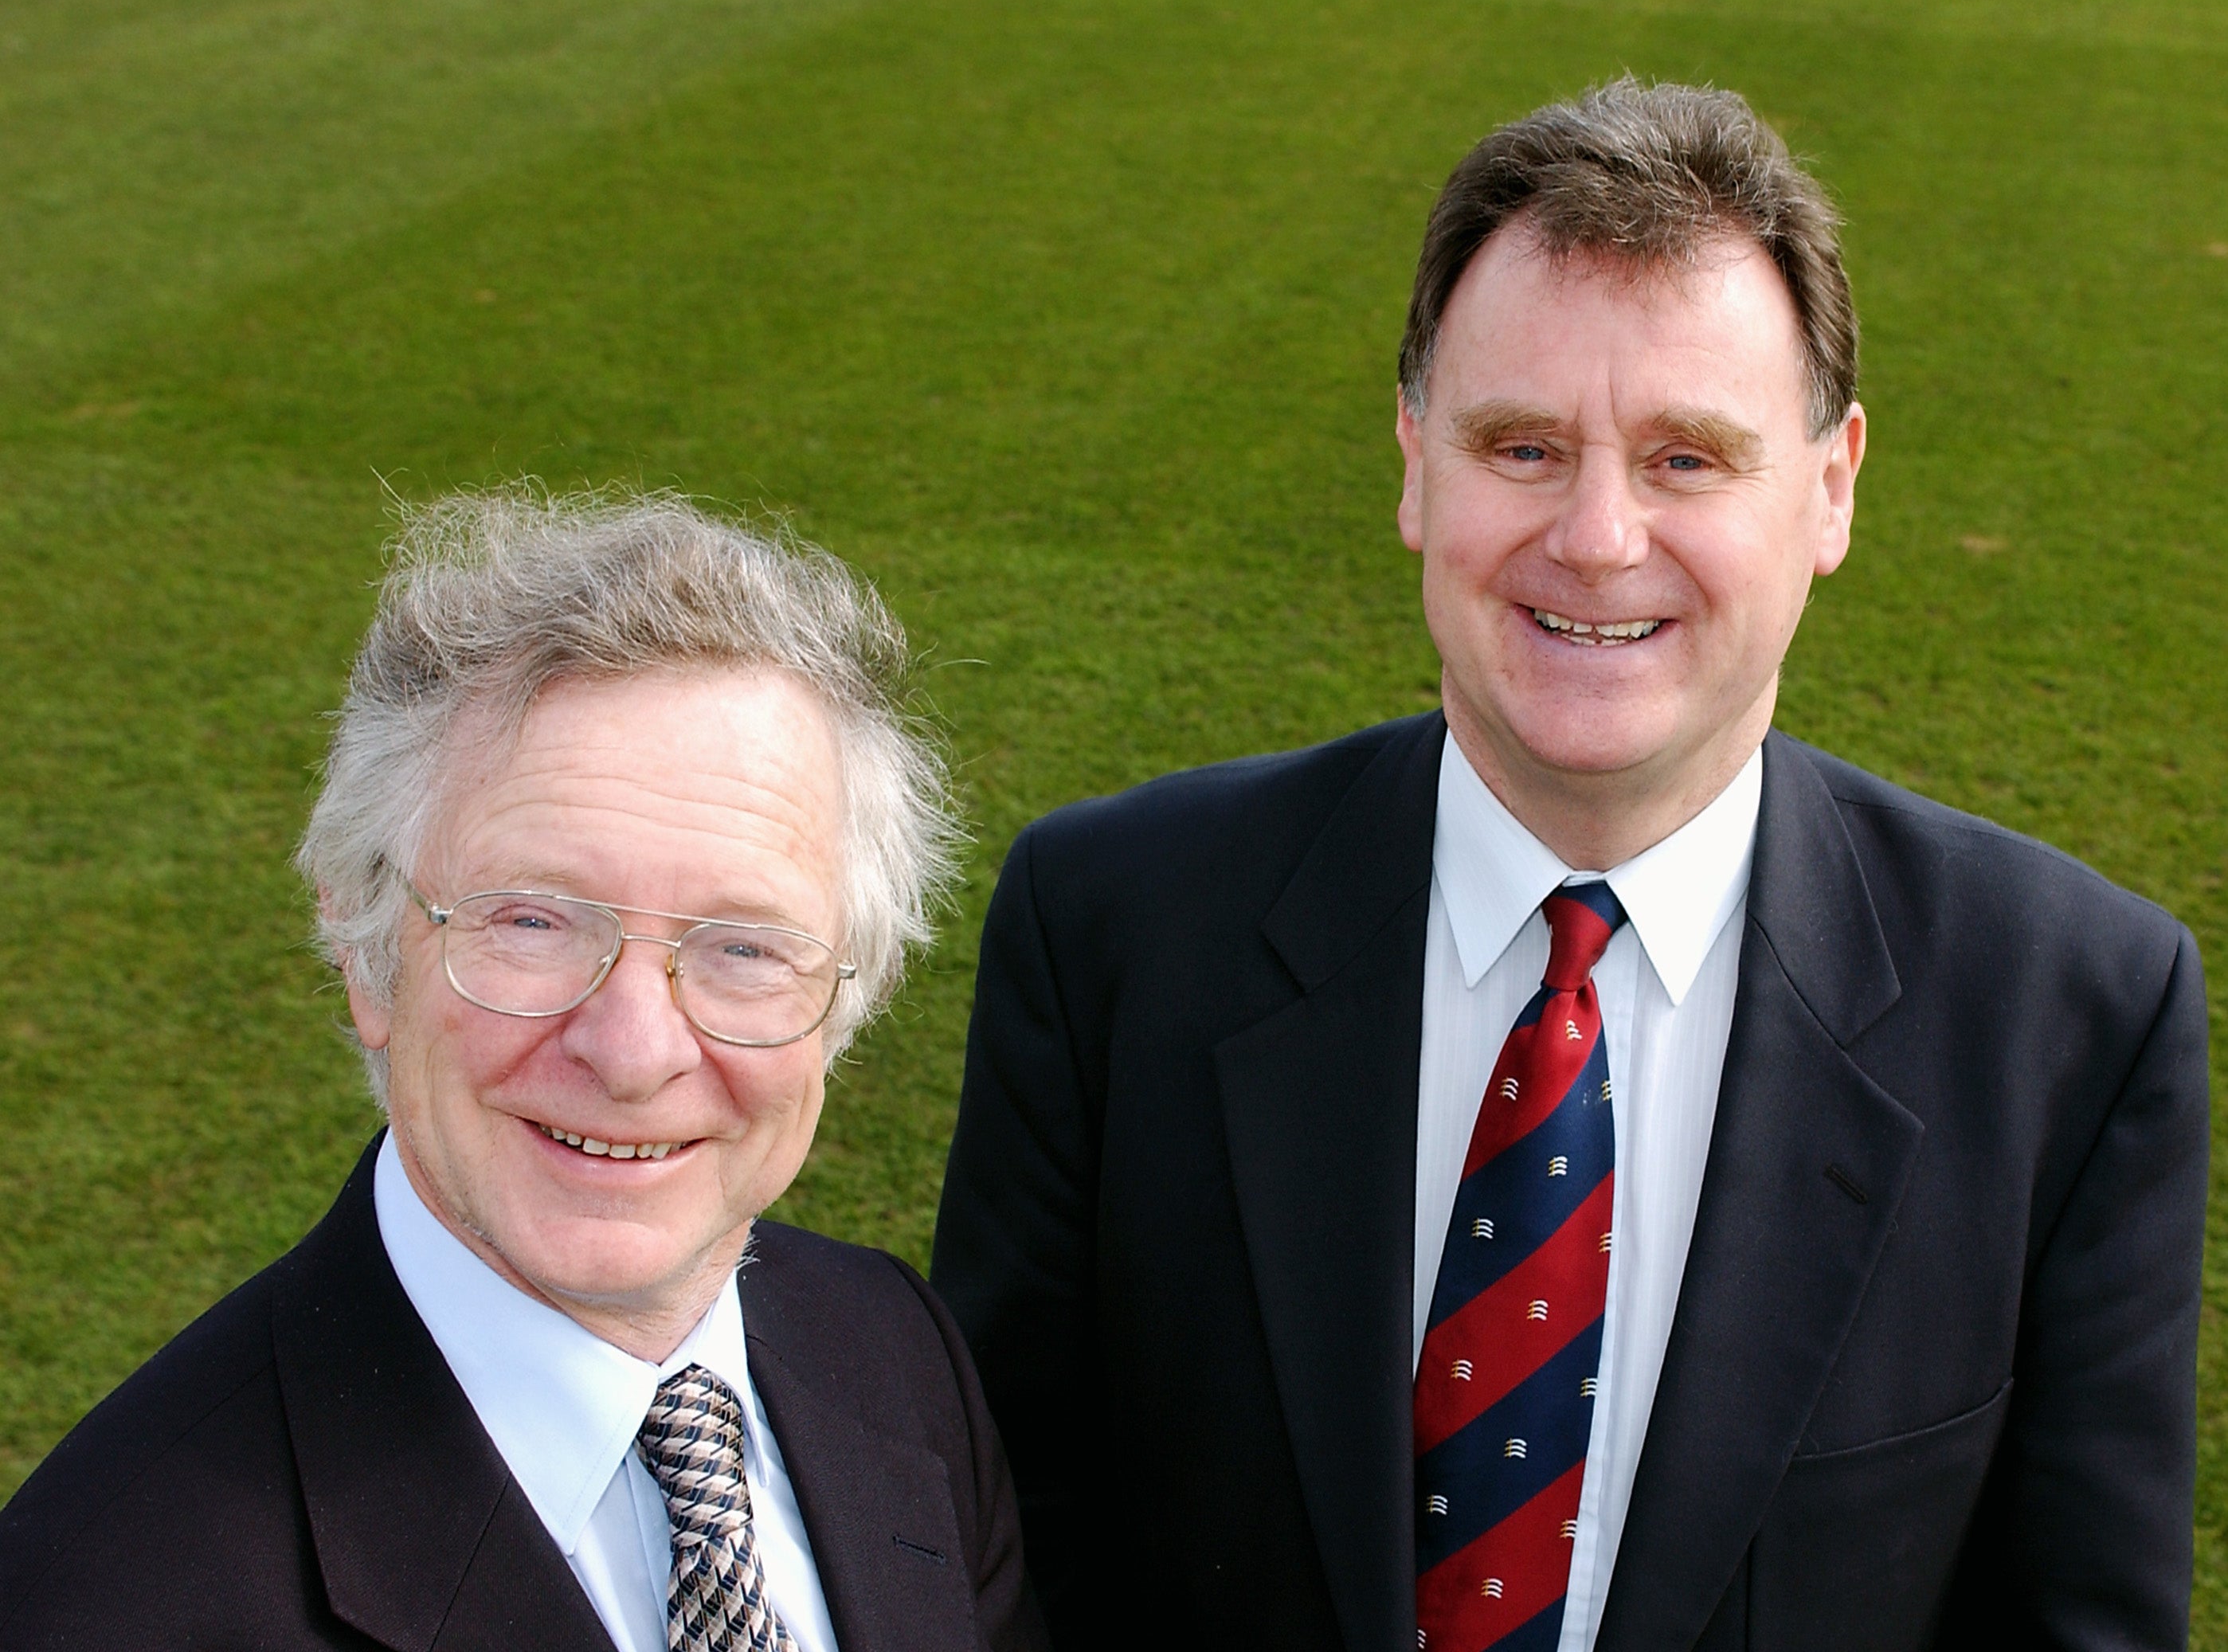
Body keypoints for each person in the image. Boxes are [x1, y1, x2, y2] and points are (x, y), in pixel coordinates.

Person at [930, 79, 2209, 1652]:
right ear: (1413, 463)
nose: (1598, 539)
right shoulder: (1111, 931)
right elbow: (989, 1567)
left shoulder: (2072, 1012)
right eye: (1521, 445)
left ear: (1830, 488)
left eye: (1686, 459)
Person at [0, 492, 1045, 1652]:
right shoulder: (99, 1607)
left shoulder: (890, 1347)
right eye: (534, 922)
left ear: (850, 991)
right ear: (365, 951)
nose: (636, 1052)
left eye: (745, 948)